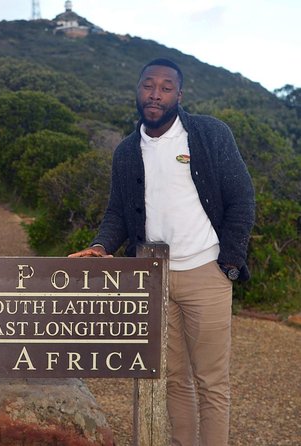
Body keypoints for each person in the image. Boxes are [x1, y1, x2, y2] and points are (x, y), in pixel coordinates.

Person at [69, 58, 255, 446]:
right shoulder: (126, 151)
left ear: (179, 95)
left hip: (207, 272)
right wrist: (101, 245)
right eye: (148, 85)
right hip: (153, 278)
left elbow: (242, 199)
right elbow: (118, 212)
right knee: (173, 378)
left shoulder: (209, 134)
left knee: (212, 382)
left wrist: (230, 262)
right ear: (137, 92)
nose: (156, 94)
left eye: (166, 87)